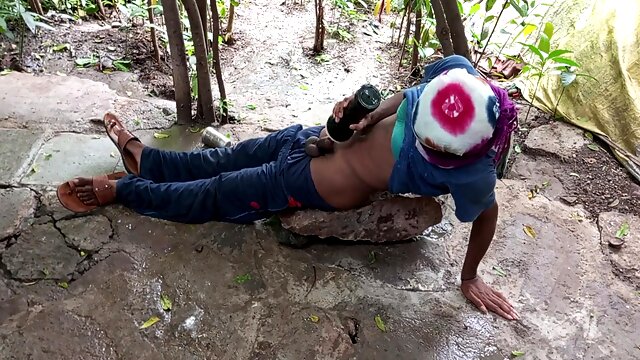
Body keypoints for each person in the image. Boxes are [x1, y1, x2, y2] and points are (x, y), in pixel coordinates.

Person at [57, 55, 518, 320]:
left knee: (219, 191)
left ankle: (126, 191)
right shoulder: (456, 76)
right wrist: (364, 116)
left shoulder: (473, 172)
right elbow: (408, 95)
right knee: (222, 157)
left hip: (311, 182)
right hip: (307, 139)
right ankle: (146, 159)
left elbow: (487, 213)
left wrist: (469, 274)